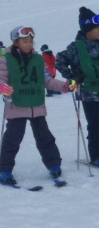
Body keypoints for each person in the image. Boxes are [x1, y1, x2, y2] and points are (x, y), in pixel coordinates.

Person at [0, 26, 76, 185]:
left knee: (45, 137)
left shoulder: (38, 59)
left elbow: (46, 80)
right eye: (24, 41)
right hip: (17, 105)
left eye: (31, 41)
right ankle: (4, 169)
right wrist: (2, 87)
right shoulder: (5, 58)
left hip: (36, 105)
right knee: (12, 139)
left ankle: (54, 165)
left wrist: (64, 86)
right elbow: (1, 78)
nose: (29, 44)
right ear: (15, 42)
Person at [56, 6, 99, 169]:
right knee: (98, 127)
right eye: (96, 28)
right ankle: (98, 156)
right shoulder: (76, 47)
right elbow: (59, 60)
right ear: (87, 29)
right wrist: (73, 76)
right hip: (90, 96)